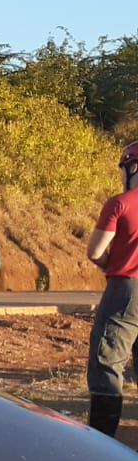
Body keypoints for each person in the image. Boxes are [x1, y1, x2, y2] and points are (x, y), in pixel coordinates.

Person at [84, 141, 138, 436]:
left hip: (126, 290)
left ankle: (103, 442)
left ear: (133, 168)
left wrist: (112, 264)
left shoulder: (121, 203)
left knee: (107, 362)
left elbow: (95, 251)